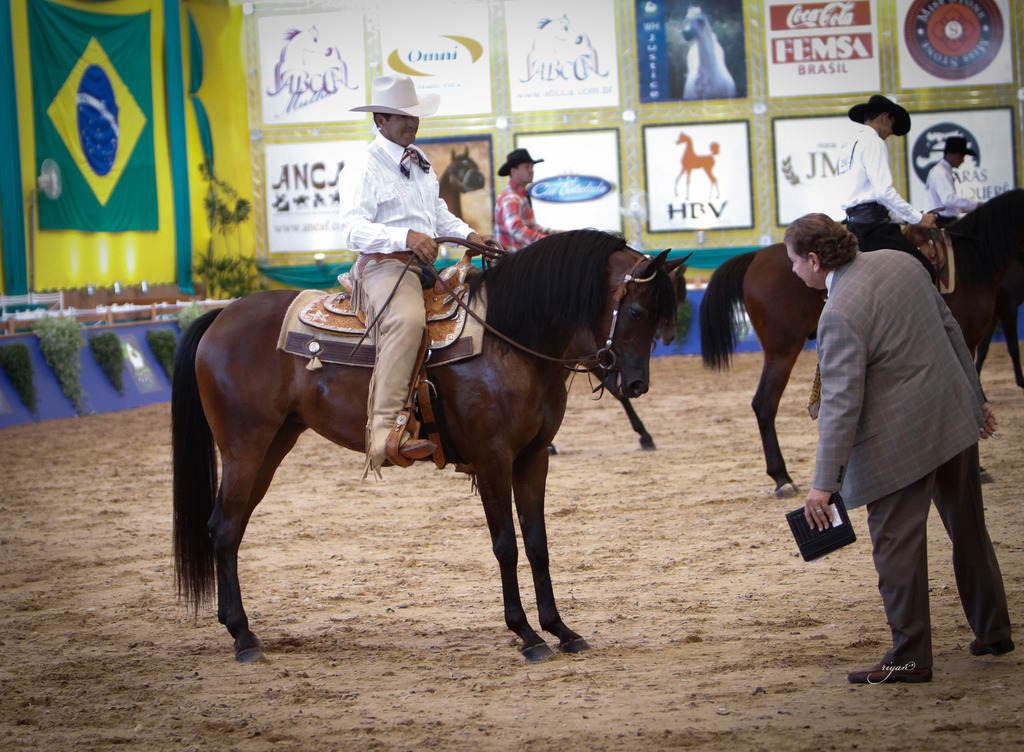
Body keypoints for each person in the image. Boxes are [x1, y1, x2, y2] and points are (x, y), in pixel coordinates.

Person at [784, 213, 1013, 684]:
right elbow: (954, 333)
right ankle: (993, 632)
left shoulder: (839, 311)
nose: (791, 271)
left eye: (792, 261)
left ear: (813, 259)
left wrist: (823, 485)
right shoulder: (901, 262)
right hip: (952, 417)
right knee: (970, 529)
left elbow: (841, 405)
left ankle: (909, 657)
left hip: (898, 444)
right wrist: (977, 400)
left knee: (896, 550)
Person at [339, 75, 490, 475]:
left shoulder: (419, 162)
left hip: (423, 266)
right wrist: (402, 235)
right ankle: (385, 434)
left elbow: (437, 213)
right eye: (403, 117)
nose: (412, 123)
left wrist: (470, 235)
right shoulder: (362, 167)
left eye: (414, 116)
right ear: (381, 120)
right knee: (407, 321)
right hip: (385, 266)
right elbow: (350, 229)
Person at [837, 95, 936, 275]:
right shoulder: (874, 142)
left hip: (854, 225)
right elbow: (883, 193)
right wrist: (919, 218)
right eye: (892, 125)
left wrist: (900, 217)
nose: (891, 132)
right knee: (924, 270)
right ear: (885, 116)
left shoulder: (848, 145)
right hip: (874, 229)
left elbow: (865, 196)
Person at [493, 148, 559, 251]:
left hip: (517, 259)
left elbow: (529, 227)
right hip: (512, 261)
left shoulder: (519, 196)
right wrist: (547, 241)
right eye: (527, 167)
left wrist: (554, 234)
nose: (531, 171)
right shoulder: (511, 197)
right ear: (513, 171)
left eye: (532, 167)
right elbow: (516, 229)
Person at [925, 136, 981, 227]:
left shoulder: (943, 171)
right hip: (942, 221)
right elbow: (949, 200)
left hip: (944, 220)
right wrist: (975, 205)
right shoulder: (941, 172)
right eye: (961, 156)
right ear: (950, 153)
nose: (962, 160)